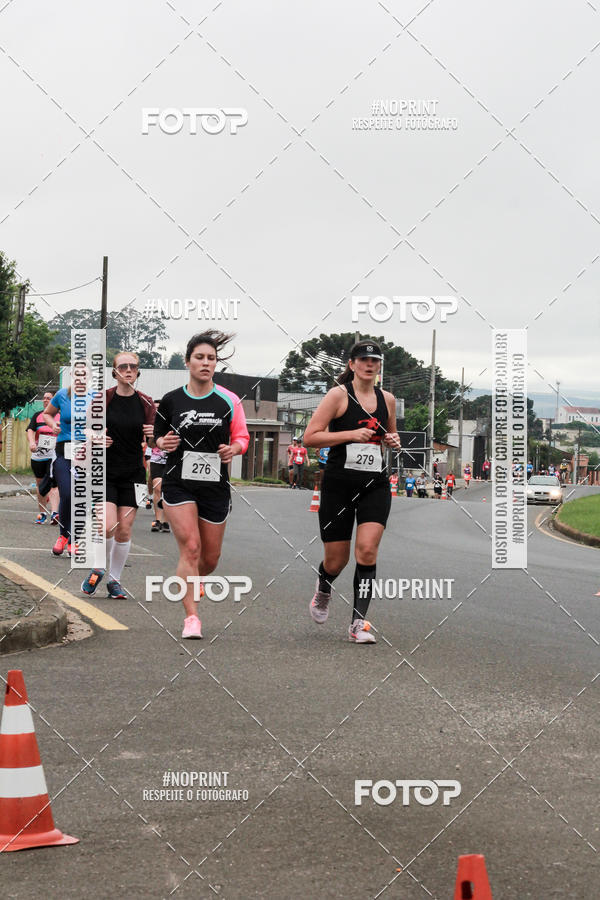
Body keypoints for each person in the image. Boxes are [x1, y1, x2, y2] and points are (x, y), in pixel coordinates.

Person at [303, 340, 401, 644]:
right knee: (336, 561)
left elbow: (390, 433)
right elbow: (310, 437)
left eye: (374, 361)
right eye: (363, 360)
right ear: (352, 364)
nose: (369, 365)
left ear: (379, 366)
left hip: (374, 483)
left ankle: (358, 624)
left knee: (368, 551)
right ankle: (323, 587)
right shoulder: (338, 395)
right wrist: (350, 434)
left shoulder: (388, 399)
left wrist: (392, 441)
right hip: (338, 484)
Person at [153, 331, 249, 639]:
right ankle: (191, 618)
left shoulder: (229, 400)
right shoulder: (171, 400)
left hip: (214, 485)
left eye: (211, 358)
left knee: (209, 558)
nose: (206, 363)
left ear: (216, 363)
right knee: (190, 548)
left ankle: (193, 580)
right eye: (200, 357)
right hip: (178, 483)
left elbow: (242, 438)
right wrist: (162, 442)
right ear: (188, 362)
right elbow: (158, 436)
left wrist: (234, 449)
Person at [81, 352, 156, 599]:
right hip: (105, 472)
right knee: (106, 525)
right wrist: (97, 437)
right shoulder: (103, 399)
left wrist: (153, 434)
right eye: (122, 366)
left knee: (124, 529)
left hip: (134, 473)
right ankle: (99, 568)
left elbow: (156, 441)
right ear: (114, 372)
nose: (128, 369)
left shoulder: (146, 403)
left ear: (137, 372)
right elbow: (87, 430)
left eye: (132, 366)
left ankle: (115, 580)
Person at [44, 365, 94, 556]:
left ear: (89, 377)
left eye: (84, 374)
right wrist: (53, 424)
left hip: (86, 453)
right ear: (72, 375)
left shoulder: (96, 397)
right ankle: (63, 535)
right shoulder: (62, 395)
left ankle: (74, 540)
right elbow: (48, 414)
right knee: (67, 493)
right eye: (77, 374)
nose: (81, 378)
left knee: (81, 497)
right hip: (64, 451)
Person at [26, 391, 60, 525]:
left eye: (49, 398)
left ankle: (55, 514)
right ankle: (42, 513)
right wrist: (31, 442)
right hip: (38, 456)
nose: (45, 400)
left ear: (54, 401)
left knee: (54, 484)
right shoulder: (37, 415)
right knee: (40, 486)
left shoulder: (60, 416)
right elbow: (30, 430)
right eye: (44, 398)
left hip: (54, 456)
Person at [147, 399, 169, 532]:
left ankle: (166, 521)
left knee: (167, 491)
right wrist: (153, 437)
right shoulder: (152, 424)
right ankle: (158, 519)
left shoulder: (173, 422)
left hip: (171, 461)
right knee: (157, 488)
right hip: (156, 460)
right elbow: (150, 444)